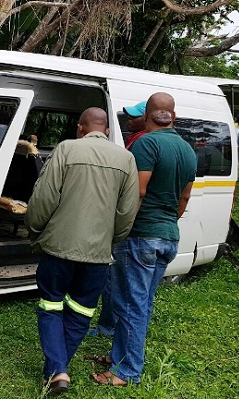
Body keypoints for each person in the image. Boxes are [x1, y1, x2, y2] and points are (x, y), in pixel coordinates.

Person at [26, 107, 139, 396]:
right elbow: (127, 212)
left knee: (51, 306)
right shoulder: (126, 158)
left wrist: (35, 229)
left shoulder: (66, 150)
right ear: (108, 131)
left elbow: (44, 197)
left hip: (58, 249)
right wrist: (108, 241)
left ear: (80, 128)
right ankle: (57, 368)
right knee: (80, 312)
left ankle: (58, 370)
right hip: (98, 256)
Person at [90, 92, 197, 387]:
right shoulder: (188, 149)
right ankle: (118, 356)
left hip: (141, 237)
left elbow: (137, 192)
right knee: (141, 303)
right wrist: (165, 224)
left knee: (130, 304)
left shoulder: (147, 143)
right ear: (172, 115)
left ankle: (127, 372)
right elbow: (184, 197)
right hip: (167, 238)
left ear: (148, 115)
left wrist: (121, 229)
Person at [88, 100, 148, 338]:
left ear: (149, 117)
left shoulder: (142, 144)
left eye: (134, 116)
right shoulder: (134, 141)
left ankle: (110, 328)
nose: (128, 119)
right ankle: (111, 326)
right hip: (137, 223)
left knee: (116, 280)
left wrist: (121, 221)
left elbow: (136, 190)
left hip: (131, 223)